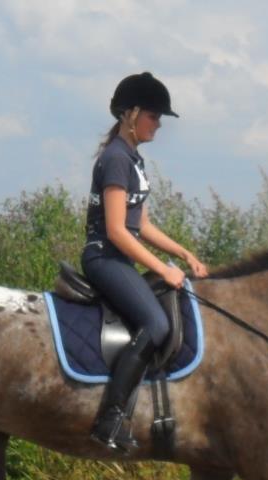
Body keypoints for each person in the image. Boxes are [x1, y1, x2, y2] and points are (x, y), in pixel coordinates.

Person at [81, 72, 207, 451]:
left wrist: (183, 254)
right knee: (155, 322)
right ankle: (110, 418)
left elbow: (143, 224)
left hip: (122, 260)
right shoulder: (116, 160)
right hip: (105, 258)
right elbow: (118, 231)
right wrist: (162, 269)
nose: (158, 124)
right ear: (131, 114)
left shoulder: (133, 160)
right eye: (154, 116)